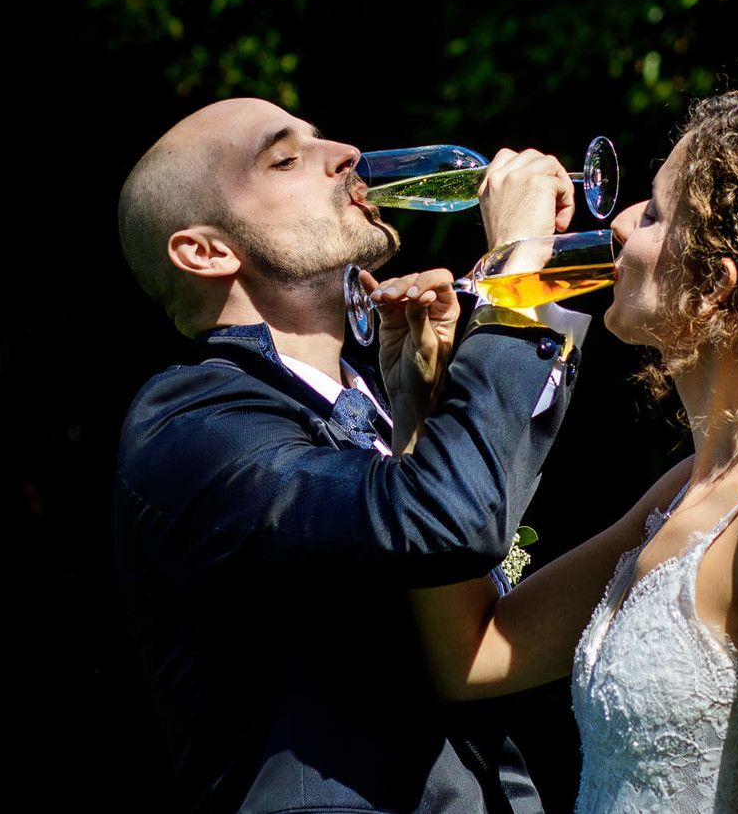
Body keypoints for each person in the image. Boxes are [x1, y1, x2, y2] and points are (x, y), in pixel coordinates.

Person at [407, 92, 738, 813]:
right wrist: (419, 410)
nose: (621, 223)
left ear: (714, 287)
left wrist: (512, 269)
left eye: (655, 213)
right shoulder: (680, 494)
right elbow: (470, 653)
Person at [114, 97, 593, 814]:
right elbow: (448, 518)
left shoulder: (380, 402)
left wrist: (418, 423)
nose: (345, 153)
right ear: (208, 251)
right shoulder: (187, 423)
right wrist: (515, 276)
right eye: (284, 157)